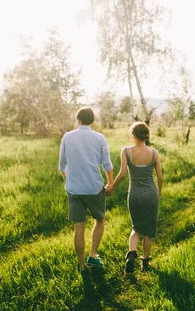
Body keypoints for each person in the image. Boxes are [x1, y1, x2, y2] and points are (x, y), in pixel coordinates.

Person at [58, 107, 114, 274]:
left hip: (74, 189)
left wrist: (69, 181)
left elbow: (62, 165)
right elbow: (107, 164)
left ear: (78, 120)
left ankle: (82, 265)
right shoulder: (100, 138)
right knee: (99, 219)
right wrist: (110, 183)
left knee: (79, 227)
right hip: (94, 187)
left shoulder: (67, 137)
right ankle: (93, 254)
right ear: (92, 121)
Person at [107, 121, 163, 273]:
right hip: (150, 194)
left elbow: (123, 174)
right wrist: (159, 193)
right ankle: (145, 263)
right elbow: (160, 177)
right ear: (146, 135)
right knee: (149, 230)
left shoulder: (126, 151)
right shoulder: (154, 153)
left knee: (136, 228)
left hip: (135, 195)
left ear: (133, 136)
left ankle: (131, 254)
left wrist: (112, 187)